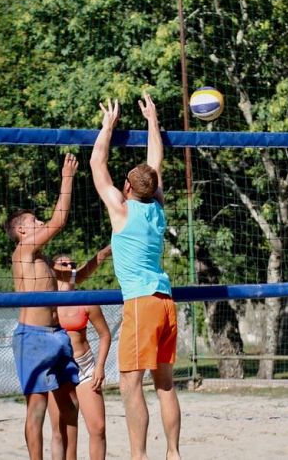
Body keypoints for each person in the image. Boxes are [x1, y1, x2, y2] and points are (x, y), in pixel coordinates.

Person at [90, 92, 181, 460]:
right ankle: (173, 453)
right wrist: (152, 120)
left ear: (127, 188)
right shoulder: (157, 207)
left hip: (142, 303)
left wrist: (108, 126)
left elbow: (97, 162)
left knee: (130, 384)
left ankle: (139, 456)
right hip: (165, 302)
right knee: (165, 384)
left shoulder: (122, 209)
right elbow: (155, 161)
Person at [4, 152, 80, 460]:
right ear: (22, 231)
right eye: (34, 221)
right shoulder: (23, 250)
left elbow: (75, 278)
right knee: (37, 407)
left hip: (57, 335)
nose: (40, 222)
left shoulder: (44, 261)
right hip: (32, 337)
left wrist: (101, 256)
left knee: (70, 406)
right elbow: (59, 221)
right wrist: (67, 178)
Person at [49, 246, 113, 460]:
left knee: (98, 428)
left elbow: (105, 335)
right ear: (52, 269)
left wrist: (100, 367)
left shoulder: (86, 300)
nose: (70, 266)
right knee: (61, 432)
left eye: (73, 264)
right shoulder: (45, 301)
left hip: (85, 367)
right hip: (58, 368)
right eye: (64, 263)